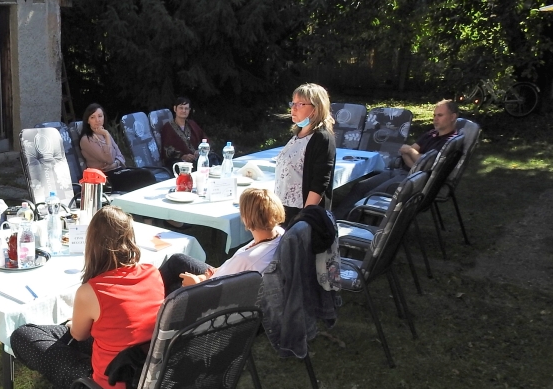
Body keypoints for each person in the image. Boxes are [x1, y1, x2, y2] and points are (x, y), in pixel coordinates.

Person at [10, 206, 164, 389]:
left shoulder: (90, 291)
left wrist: (75, 324)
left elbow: (79, 334)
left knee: (24, 336)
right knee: (64, 341)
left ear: (92, 243)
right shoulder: (153, 272)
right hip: (147, 371)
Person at [332, 99, 460, 219]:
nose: (435, 119)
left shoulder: (449, 142)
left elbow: (427, 164)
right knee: (360, 186)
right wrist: (415, 158)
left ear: (453, 117)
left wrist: (412, 153)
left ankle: (349, 224)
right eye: (434, 115)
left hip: (412, 180)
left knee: (370, 195)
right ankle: (334, 219)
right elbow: (407, 153)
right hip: (402, 171)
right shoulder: (431, 134)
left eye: (440, 115)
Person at [158, 188, 285, 295]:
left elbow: (218, 290)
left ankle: (152, 300)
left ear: (247, 218)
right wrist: (206, 275)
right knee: (178, 260)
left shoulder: (247, 259)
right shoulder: (279, 234)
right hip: (222, 280)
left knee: (173, 287)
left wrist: (196, 284)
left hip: (214, 295)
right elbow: (226, 270)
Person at [274, 83, 336, 225]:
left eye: (300, 104)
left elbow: (319, 183)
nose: (293, 108)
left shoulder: (322, 138)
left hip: (302, 215)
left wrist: (304, 218)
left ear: (316, 108)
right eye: (293, 103)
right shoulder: (298, 134)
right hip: (283, 209)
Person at [78, 104, 157, 192]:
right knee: (146, 177)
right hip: (105, 179)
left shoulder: (104, 133)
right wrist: (107, 135)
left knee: (146, 175)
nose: (97, 120)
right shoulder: (86, 139)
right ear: (88, 120)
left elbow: (120, 156)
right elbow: (109, 159)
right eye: (92, 117)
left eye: (100, 116)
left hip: (118, 171)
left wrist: (115, 164)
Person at [159, 96, 219, 167]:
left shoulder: (192, 124)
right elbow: (167, 149)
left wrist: (200, 151)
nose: (184, 111)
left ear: (189, 110)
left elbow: (205, 139)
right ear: (175, 109)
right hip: (178, 162)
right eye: (181, 108)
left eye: (186, 108)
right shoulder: (168, 127)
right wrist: (183, 156)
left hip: (196, 159)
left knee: (212, 158)